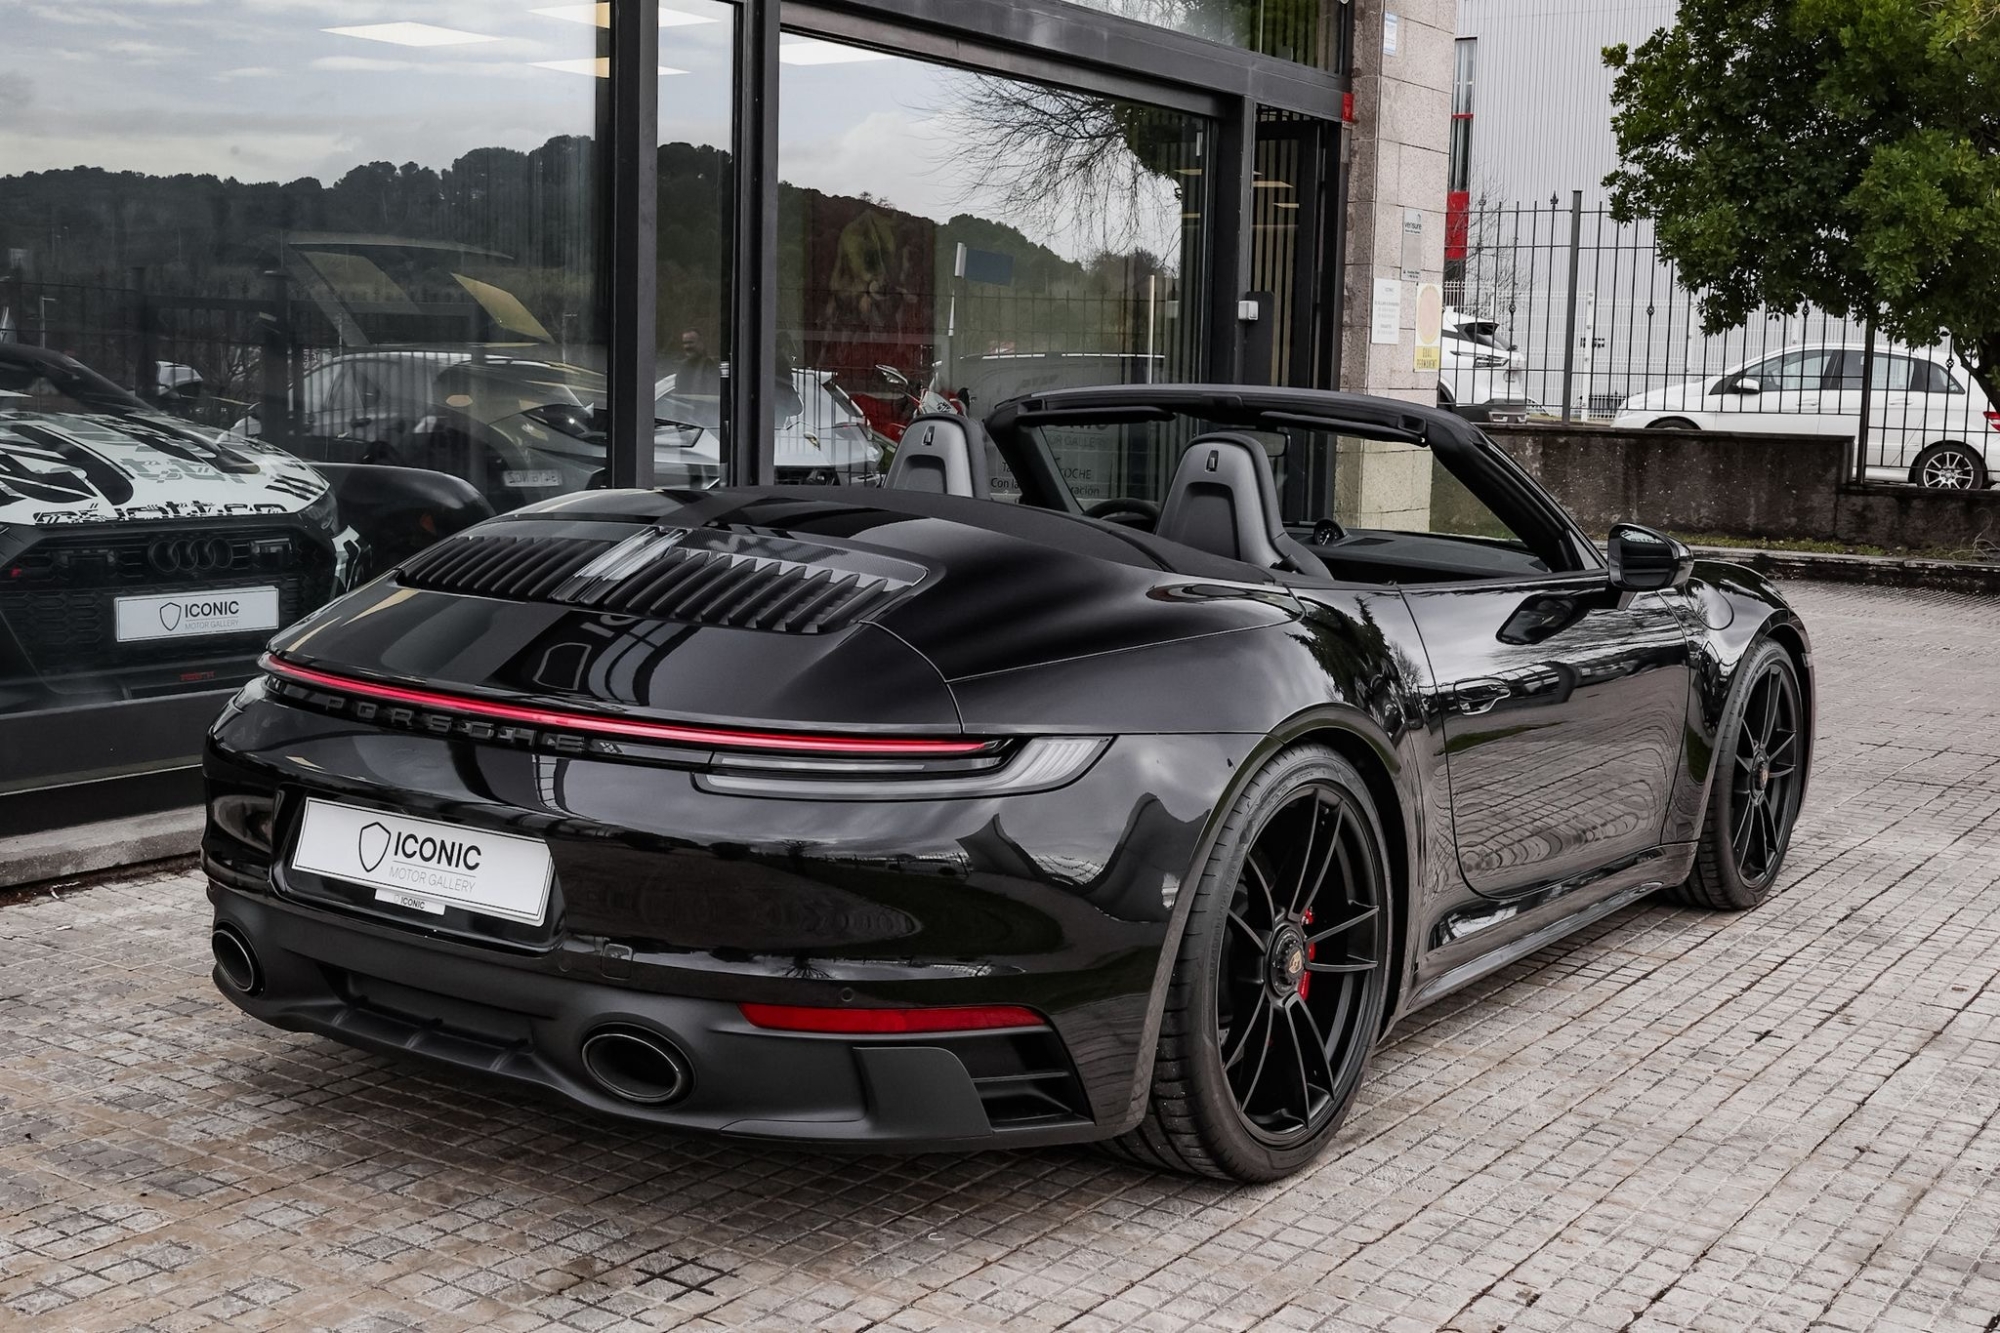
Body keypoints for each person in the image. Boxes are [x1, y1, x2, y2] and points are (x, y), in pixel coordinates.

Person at [672, 329, 720, 399]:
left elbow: (713, 396)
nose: (687, 346)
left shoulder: (711, 366)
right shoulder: (683, 367)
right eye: (685, 343)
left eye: (691, 342)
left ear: (701, 343)